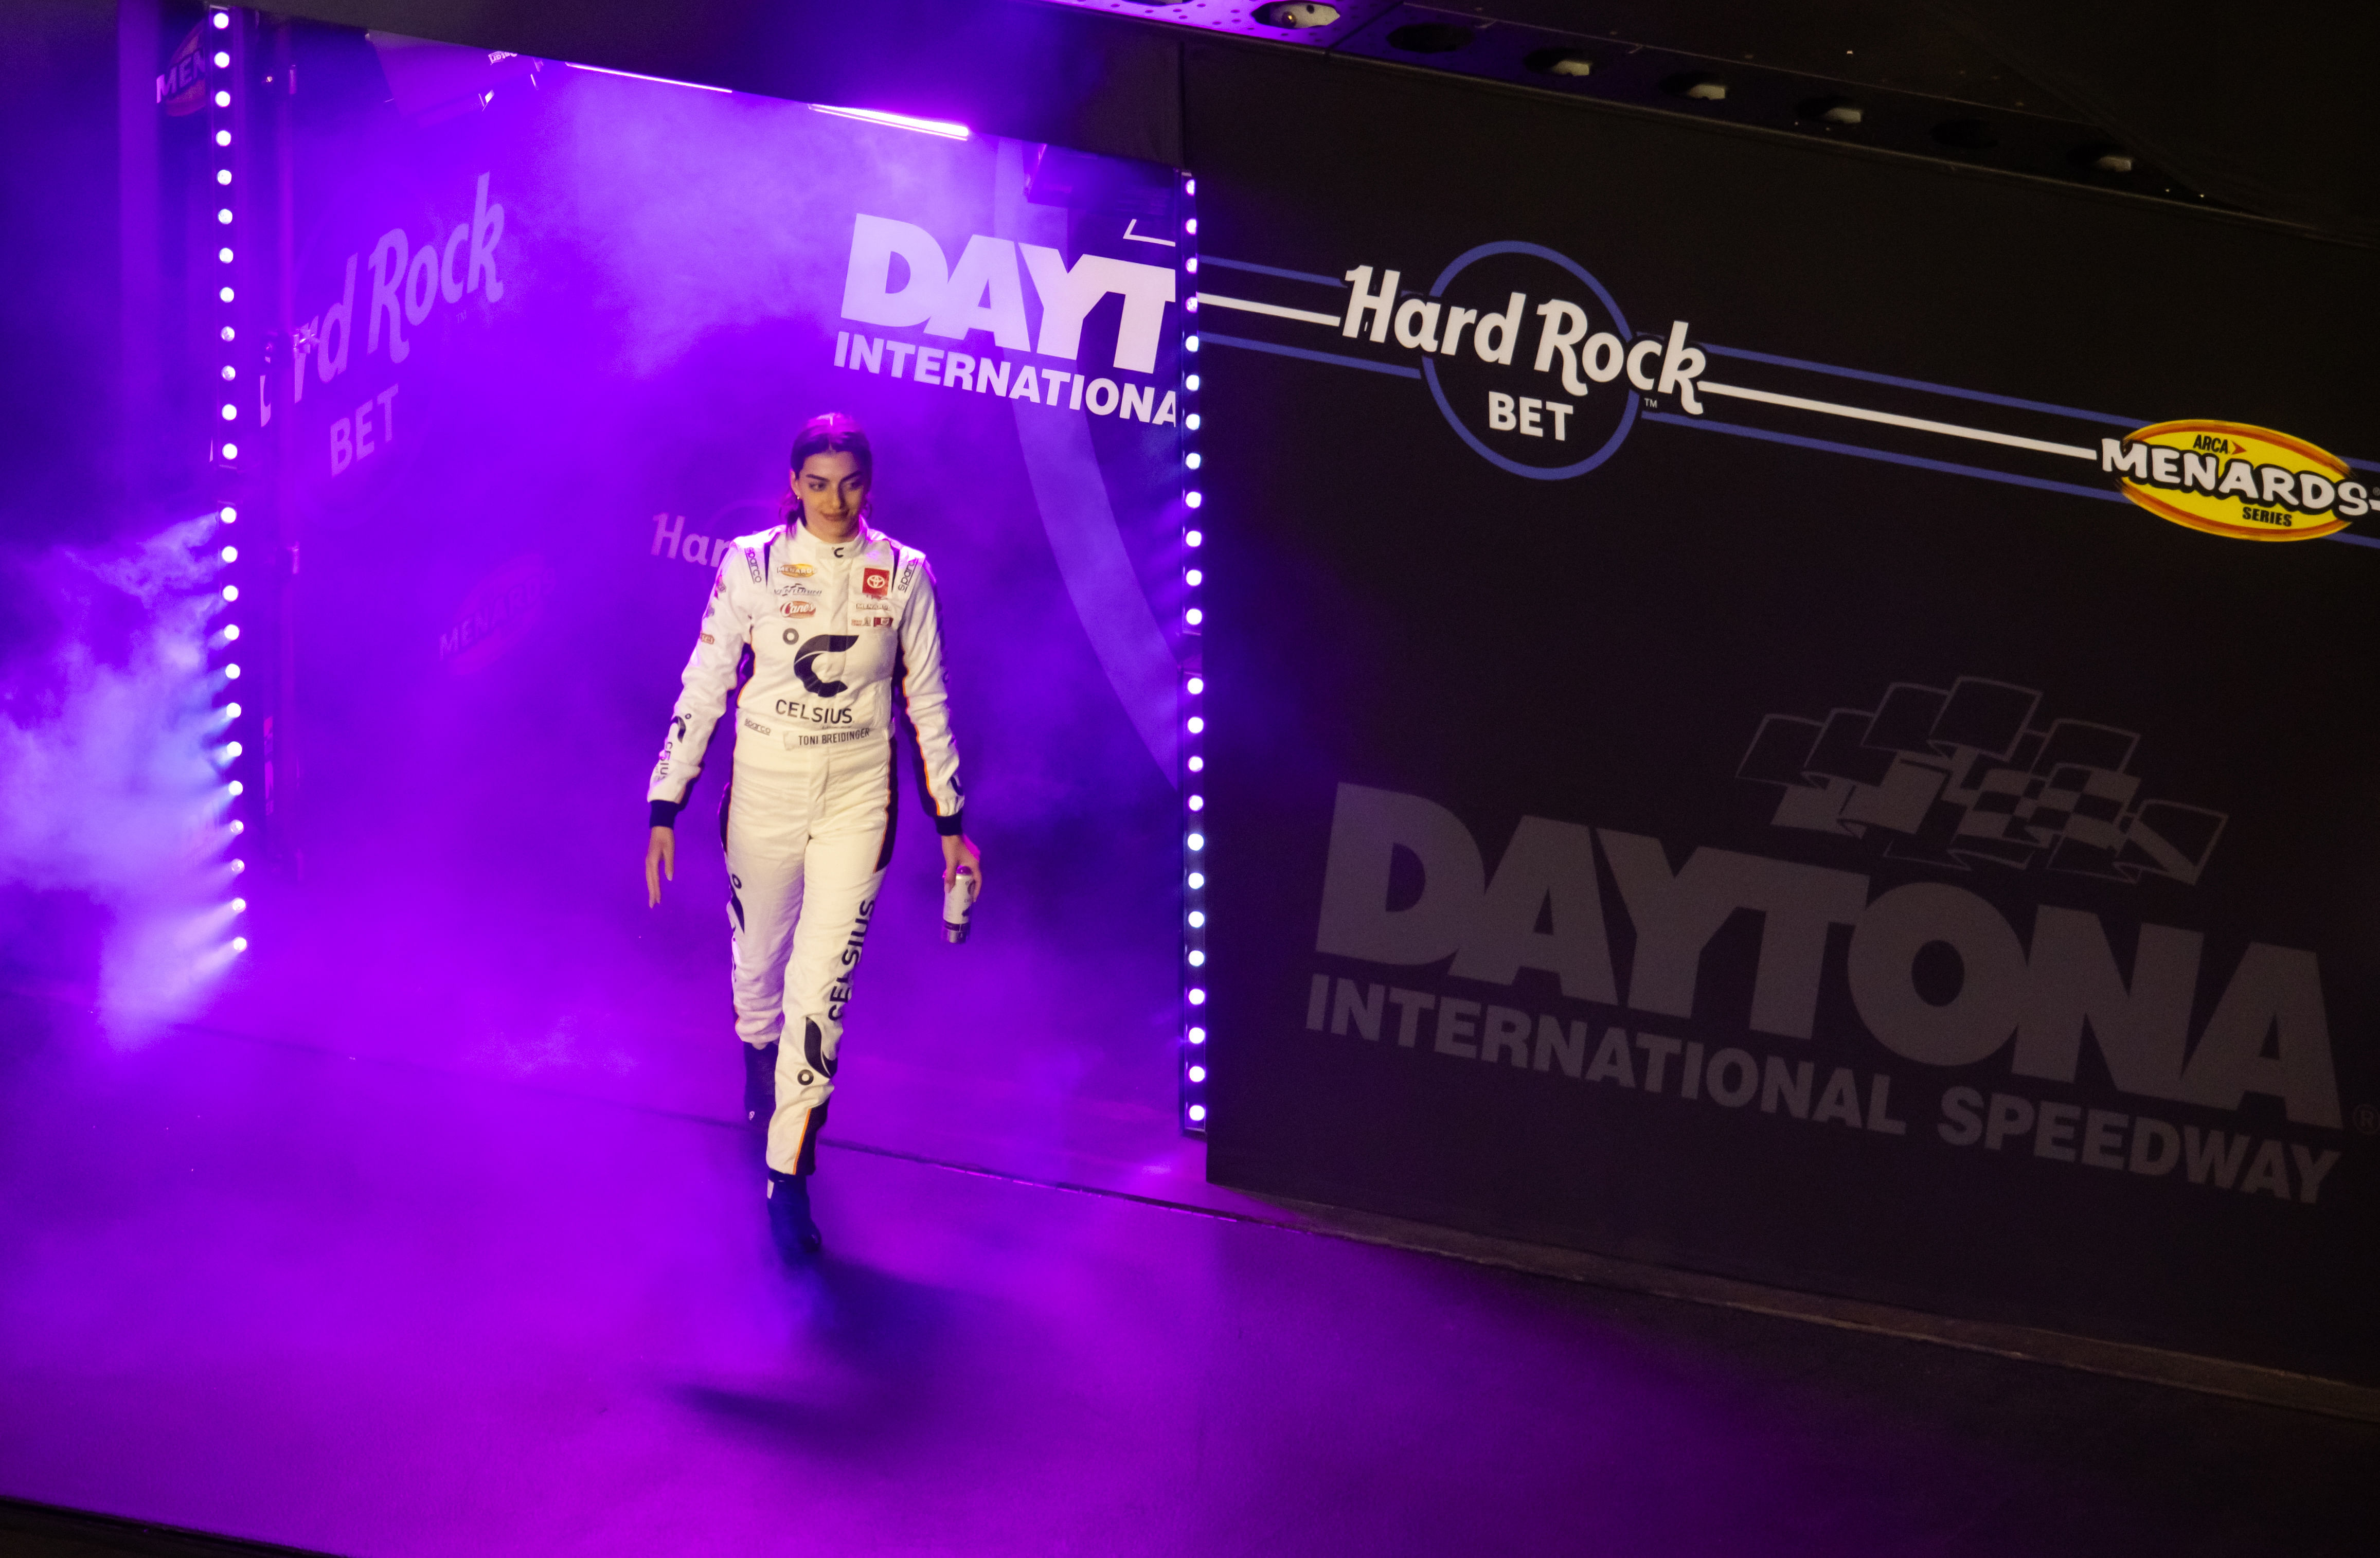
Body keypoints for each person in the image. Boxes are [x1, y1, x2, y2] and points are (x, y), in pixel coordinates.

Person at [643, 412, 980, 1265]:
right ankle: (758, 1068)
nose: (835, 500)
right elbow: (707, 678)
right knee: (757, 975)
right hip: (763, 793)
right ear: (794, 482)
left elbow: (929, 701)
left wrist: (952, 824)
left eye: (851, 482)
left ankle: (786, 1172)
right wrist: (665, 800)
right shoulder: (750, 563)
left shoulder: (904, 574)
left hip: (857, 800)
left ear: (871, 484)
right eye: (819, 482)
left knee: (819, 990)